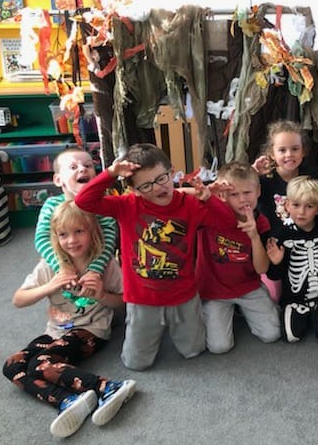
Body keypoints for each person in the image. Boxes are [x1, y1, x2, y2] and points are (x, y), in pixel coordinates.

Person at [74, 143, 238, 370]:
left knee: (194, 350)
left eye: (162, 178)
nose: (158, 188)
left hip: (183, 296)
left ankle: (183, 324)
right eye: (146, 185)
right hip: (143, 300)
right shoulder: (127, 205)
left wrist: (209, 197)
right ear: (134, 189)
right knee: (137, 363)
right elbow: (83, 201)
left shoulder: (190, 204)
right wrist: (110, 173)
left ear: (172, 172)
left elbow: (228, 223)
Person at [2, 201, 136, 438]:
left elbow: (125, 300)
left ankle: (108, 387)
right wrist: (50, 286)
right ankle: (69, 400)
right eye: (63, 234)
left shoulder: (104, 265)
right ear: (55, 237)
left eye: (79, 231)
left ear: (92, 232)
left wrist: (101, 294)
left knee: (40, 363)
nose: (72, 240)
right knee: (12, 366)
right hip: (56, 330)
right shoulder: (49, 265)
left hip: (91, 330)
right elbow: (18, 300)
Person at [196, 162, 280, 353]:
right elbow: (176, 195)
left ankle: (247, 310)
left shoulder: (261, 221)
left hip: (248, 287)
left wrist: (254, 236)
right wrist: (207, 193)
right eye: (234, 194)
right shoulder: (207, 212)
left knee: (272, 333)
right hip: (214, 291)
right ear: (223, 195)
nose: (242, 200)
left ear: (258, 191)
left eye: (247, 192)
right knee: (219, 347)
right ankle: (213, 312)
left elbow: (261, 269)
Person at [252, 120, 318, 302]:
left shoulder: (312, 176)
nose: (289, 154)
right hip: (276, 250)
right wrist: (253, 174)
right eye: (282, 150)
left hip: (306, 245)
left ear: (303, 151)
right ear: (271, 153)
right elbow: (242, 191)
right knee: (274, 297)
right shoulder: (264, 181)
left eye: (295, 149)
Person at [266, 176, 318, 342]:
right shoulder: (280, 235)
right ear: (287, 205)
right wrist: (276, 262)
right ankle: (303, 311)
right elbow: (274, 275)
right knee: (291, 336)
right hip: (294, 297)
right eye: (296, 205)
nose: (301, 212)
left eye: (309, 206)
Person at [34, 147, 117, 300]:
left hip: (99, 266)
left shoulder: (102, 204)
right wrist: (61, 266)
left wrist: (95, 270)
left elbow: (109, 239)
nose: (83, 169)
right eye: (73, 167)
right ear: (58, 180)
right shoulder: (51, 205)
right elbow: (41, 238)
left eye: (88, 165)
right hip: (62, 266)